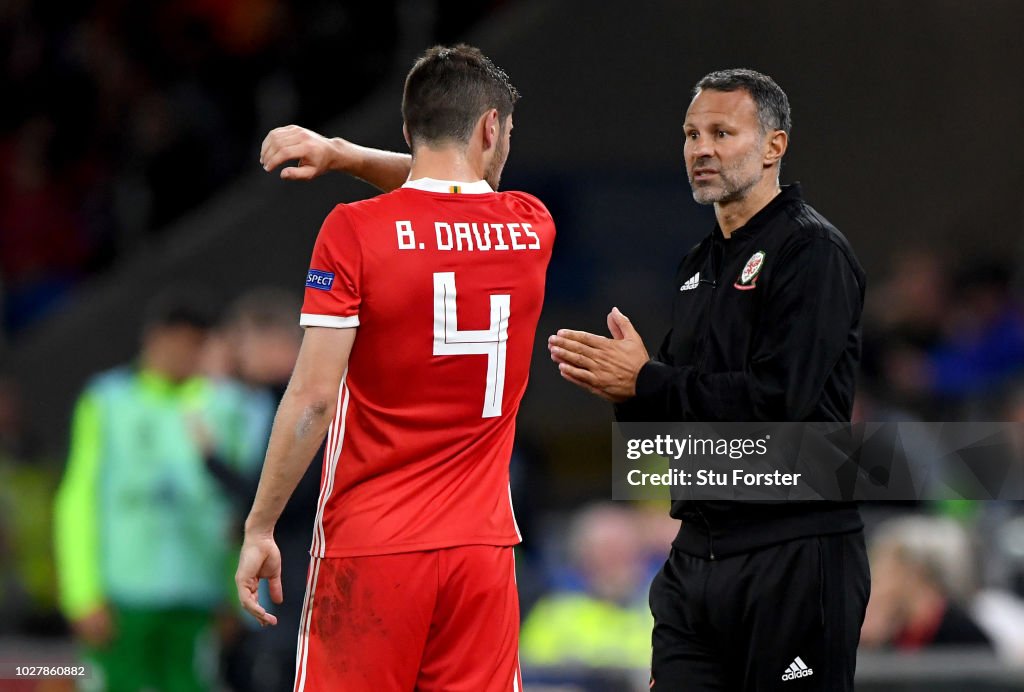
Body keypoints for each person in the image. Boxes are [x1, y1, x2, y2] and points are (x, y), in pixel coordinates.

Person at [239, 44, 555, 691]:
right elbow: (459, 204)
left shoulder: (354, 232)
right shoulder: (530, 228)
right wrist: (347, 156)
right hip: (483, 552)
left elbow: (313, 399)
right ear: (491, 128)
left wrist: (261, 524)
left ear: (409, 128)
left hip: (372, 548)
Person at [546, 69, 869, 691]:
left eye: (723, 132)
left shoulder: (813, 254)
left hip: (793, 553)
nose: (701, 149)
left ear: (774, 145)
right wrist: (628, 392)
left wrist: (647, 381)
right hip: (696, 559)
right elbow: (663, 434)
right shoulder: (699, 264)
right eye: (692, 134)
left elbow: (781, 404)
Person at [53, 288, 264, 692]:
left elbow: (239, 510)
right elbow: (78, 498)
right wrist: (81, 592)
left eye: (196, 345)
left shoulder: (226, 407)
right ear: (154, 339)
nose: (186, 355)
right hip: (122, 596)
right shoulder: (108, 401)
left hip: (197, 595)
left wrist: (234, 594)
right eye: (179, 344)